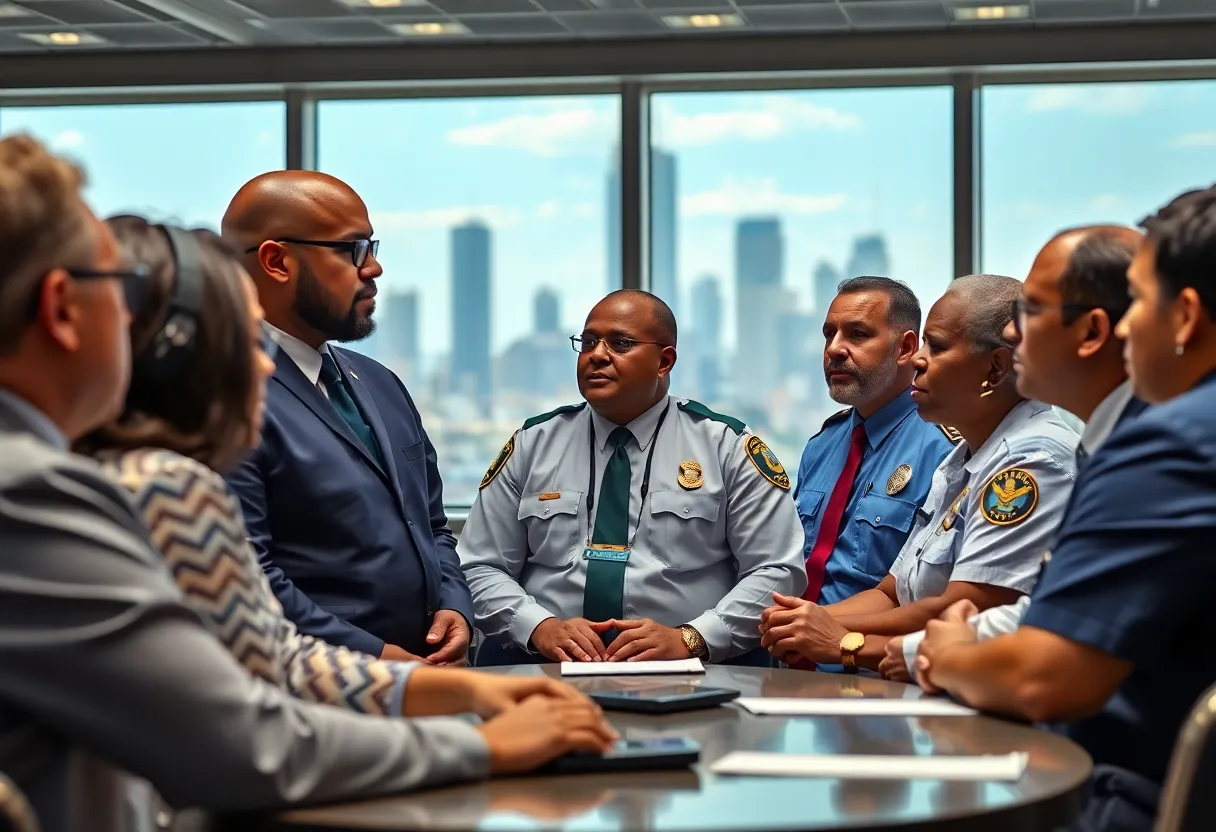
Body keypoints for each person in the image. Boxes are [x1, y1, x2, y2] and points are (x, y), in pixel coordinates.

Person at [0, 135, 617, 832]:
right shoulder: (39, 489)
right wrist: (476, 743)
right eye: (119, 291)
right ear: (59, 307)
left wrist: (457, 685)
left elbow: (276, 657)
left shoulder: (375, 386)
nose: (133, 319)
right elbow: (239, 741)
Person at [916, 187, 1216, 832]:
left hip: (1126, 794)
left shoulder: (1172, 442)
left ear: (1185, 316)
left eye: (1142, 304)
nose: (1129, 326)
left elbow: (1045, 678)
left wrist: (945, 652)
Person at [459, 290, 807, 667]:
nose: (597, 355)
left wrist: (691, 638)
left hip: (691, 671)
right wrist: (539, 626)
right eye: (588, 342)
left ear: (664, 361)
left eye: (620, 343)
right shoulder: (533, 444)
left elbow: (777, 571)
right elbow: (479, 565)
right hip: (545, 666)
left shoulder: (726, 447)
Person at [759, 274, 1078, 672]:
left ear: (995, 368)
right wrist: (803, 624)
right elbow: (894, 591)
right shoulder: (962, 460)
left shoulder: (1030, 459)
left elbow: (969, 609)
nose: (920, 359)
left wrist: (841, 639)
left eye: (938, 346)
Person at [222, 171, 473, 665]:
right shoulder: (227, 394)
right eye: (352, 250)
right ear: (276, 261)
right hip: (317, 693)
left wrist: (454, 605)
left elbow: (433, 525)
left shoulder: (380, 383)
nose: (374, 268)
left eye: (372, 247)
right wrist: (372, 656)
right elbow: (247, 573)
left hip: (428, 680)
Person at [886, 226, 1147, 682]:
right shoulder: (1099, 446)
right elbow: (1046, 612)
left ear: (1092, 331)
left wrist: (857, 645)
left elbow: (1054, 657)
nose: (1011, 329)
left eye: (1030, 311)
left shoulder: (1059, 456)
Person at [795, 276, 957, 607]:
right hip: (782, 651)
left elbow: (934, 595)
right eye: (829, 334)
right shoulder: (821, 445)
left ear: (906, 348)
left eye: (858, 335)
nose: (835, 349)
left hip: (870, 653)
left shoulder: (946, 449)